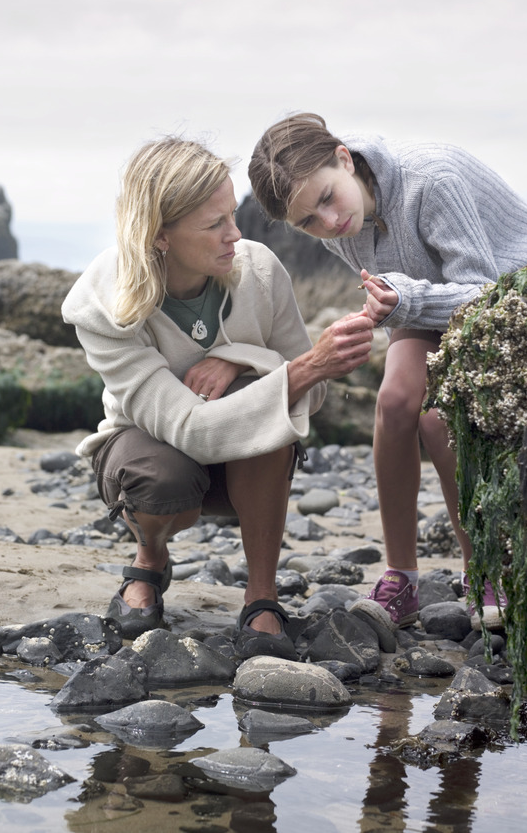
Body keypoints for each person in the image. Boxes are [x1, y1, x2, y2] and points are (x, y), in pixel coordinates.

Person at [62, 136, 374, 658]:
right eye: (215, 225)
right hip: (153, 450)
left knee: (270, 411)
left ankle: (262, 594)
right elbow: (192, 431)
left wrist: (244, 359)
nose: (236, 235)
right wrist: (304, 367)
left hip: (249, 473)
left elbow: (312, 395)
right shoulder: (101, 304)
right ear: (160, 235)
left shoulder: (259, 269)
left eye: (233, 215)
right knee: (161, 479)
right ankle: (150, 555)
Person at [248, 112, 527, 634]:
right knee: (393, 402)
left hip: (517, 304)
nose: (328, 224)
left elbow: (483, 293)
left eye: (327, 199)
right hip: (431, 308)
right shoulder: (336, 224)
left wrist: (404, 299)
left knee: (437, 419)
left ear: (344, 159)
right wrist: (390, 307)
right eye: (307, 222)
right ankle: (402, 578)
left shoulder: (430, 182)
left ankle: (484, 567)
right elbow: (406, 296)